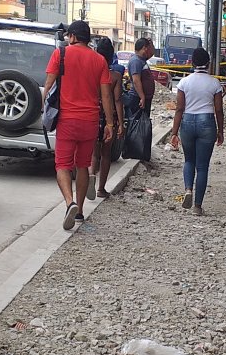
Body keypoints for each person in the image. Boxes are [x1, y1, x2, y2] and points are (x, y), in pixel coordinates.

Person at [43, 20, 114, 230]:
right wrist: (109, 123)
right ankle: (80, 211)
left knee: (63, 166)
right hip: (90, 121)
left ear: (72, 36)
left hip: (66, 119)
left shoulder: (61, 54)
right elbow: (106, 95)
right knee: (82, 165)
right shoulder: (100, 60)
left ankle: (69, 202)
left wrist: (43, 109)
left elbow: (48, 85)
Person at [170, 48, 224, 215]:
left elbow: (179, 109)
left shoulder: (184, 83)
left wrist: (174, 132)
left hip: (187, 122)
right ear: (208, 63)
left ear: (192, 63)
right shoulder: (214, 83)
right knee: (202, 167)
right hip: (207, 123)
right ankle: (198, 206)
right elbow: (219, 110)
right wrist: (220, 130)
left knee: (189, 161)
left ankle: (188, 190)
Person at [93, 38, 125, 198]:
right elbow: (118, 100)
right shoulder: (115, 76)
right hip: (108, 117)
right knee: (106, 153)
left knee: (93, 153)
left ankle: (91, 178)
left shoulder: (90, 73)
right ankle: (101, 189)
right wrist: (120, 123)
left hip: (92, 114)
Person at [127, 37, 156, 117]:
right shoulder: (136, 61)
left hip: (143, 98)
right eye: (147, 47)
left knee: (144, 122)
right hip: (137, 98)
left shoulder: (142, 59)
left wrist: (151, 44)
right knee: (138, 124)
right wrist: (142, 97)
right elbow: (136, 81)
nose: (148, 50)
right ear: (144, 48)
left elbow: (152, 53)